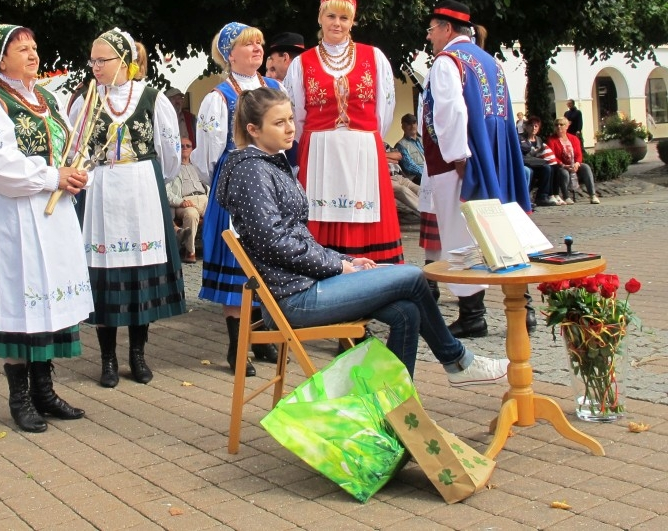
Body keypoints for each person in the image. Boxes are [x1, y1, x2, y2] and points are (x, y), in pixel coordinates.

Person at [217, 86, 509, 383]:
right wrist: (339, 266)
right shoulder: (252, 171)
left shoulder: (269, 165)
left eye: (291, 119)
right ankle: (458, 362)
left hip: (306, 285)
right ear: (253, 129)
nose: (290, 127)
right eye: (279, 123)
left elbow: (297, 239)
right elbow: (276, 243)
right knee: (412, 276)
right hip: (293, 298)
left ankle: (393, 406)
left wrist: (347, 259)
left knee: (406, 311)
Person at [0, 24, 93, 432]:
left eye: (35, 47)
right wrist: (54, 177)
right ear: (0, 58)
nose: (33, 55)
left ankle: (44, 390)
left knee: (47, 298)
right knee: (22, 297)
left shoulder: (45, 98)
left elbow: (68, 147)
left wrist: (75, 172)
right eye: (22, 49)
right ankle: (19, 398)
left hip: (51, 213)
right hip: (14, 213)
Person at [70, 28, 186, 388]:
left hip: (140, 192)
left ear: (123, 61)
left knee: (139, 274)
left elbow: (170, 154)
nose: (95, 66)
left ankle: (138, 355)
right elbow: (75, 149)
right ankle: (107, 359)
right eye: (92, 60)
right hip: (102, 191)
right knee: (106, 275)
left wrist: (150, 180)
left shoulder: (152, 98)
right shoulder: (85, 100)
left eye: (101, 60)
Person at [421, 0, 531, 338]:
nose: (429, 37)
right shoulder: (491, 62)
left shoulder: (447, 62)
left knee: (460, 233)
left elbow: (449, 112)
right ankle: (524, 307)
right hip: (495, 156)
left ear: (447, 29)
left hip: (462, 161)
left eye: (431, 29)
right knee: (503, 227)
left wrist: (457, 158)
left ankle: (473, 315)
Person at [282, 0, 403, 264]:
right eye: (331, 16)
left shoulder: (375, 58)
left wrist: (366, 138)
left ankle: (374, 283)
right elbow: (296, 113)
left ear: (352, 22)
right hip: (320, 151)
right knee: (319, 213)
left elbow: (384, 109)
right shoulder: (301, 63)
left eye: (344, 18)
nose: (337, 23)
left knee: (365, 211)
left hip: (363, 149)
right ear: (320, 18)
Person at [193, 23, 283, 377]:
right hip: (236, 191)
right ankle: (237, 347)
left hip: (272, 187)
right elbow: (208, 158)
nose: (258, 49)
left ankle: (261, 338)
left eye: (260, 43)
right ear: (230, 54)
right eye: (249, 45)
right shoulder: (219, 98)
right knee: (238, 271)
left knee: (267, 262)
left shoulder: (275, 89)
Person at [165, 137, 207, 263]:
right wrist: (180, 202)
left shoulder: (198, 167)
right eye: (181, 146)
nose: (184, 148)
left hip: (204, 199)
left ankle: (221, 250)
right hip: (185, 202)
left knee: (220, 211)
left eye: (188, 146)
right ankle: (190, 252)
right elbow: (166, 193)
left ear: (192, 149)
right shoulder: (172, 169)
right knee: (191, 214)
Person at [548, 117, 600, 204]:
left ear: (567, 126)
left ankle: (593, 195)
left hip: (574, 164)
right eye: (556, 125)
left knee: (586, 167)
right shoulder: (551, 140)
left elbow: (579, 154)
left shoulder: (574, 138)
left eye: (561, 124)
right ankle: (566, 196)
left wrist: (577, 164)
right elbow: (552, 156)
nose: (559, 127)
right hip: (561, 166)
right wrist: (563, 165)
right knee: (564, 173)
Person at [520, 115, 564, 207]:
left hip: (537, 164)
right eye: (531, 125)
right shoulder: (521, 139)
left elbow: (540, 155)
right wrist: (537, 151)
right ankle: (526, 198)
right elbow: (525, 152)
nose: (534, 128)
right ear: (527, 127)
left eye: (536, 126)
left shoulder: (538, 140)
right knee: (530, 171)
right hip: (526, 164)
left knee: (549, 168)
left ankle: (542, 196)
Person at [384, 143, 420, 216]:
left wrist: (381, 156)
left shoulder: (385, 143)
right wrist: (388, 156)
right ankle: (427, 213)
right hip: (386, 179)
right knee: (403, 190)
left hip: (399, 176)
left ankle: (436, 209)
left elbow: (398, 156)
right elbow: (373, 157)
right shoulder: (369, 146)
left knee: (419, 189)